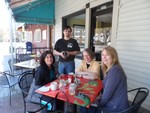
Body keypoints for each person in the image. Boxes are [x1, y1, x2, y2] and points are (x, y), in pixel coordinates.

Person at [80, 46, 129, 113]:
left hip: (115, 108)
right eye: (103, 55)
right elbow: (106, 84)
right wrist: (98, 97)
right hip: (115, 103)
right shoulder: (113, 69)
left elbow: (105, 97)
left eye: (107, 55)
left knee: (84, 105)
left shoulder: (115, 71)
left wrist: (97, 102)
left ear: (113, 57)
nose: (104, 57)